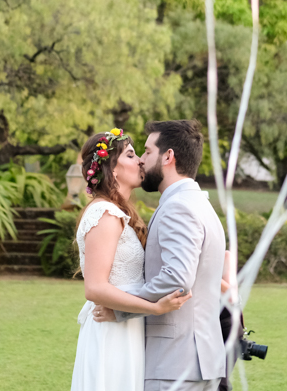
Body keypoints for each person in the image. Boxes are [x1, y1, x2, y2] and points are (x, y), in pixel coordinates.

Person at [93, 119, 228, 391]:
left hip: (176, 363)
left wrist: (120, 309)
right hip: (201, 361)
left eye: (147, 151)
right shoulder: (200, 203)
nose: (141, 160)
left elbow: (177, 278)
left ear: (168, 156)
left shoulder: (179, 207)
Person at [69, 128, 192, 391]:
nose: (140, 161)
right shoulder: (104, 213)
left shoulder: (120, 212)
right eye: (131, 154)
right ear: (112, 169)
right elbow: (95, 288)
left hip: (126, 328)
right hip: (110, 331)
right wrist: (154, 308)